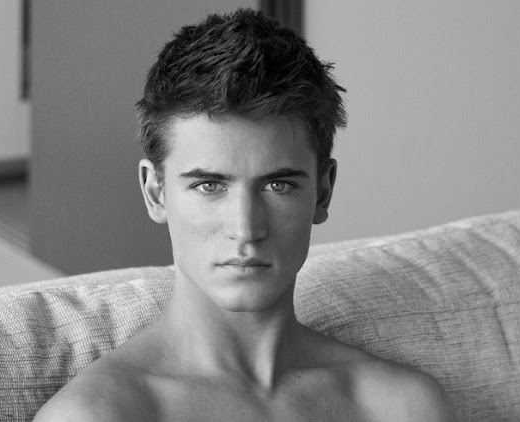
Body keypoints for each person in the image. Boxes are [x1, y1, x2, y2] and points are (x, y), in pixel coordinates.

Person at [34, 8, 456, 421]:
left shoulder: (400, 406)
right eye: (209, 186)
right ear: (155, 192)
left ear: (322, 192)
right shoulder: (97, 414)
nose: (246, 229)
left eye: (278, 186)